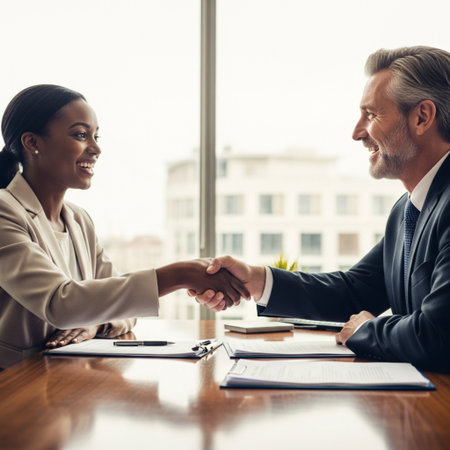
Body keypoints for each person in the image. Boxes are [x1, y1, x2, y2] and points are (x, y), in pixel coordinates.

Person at [194, 46, 450, 373]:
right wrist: (256, 280)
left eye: (371, 115)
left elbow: (438, 335)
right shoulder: (406, 211)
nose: (358, 132)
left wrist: (365, 331)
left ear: (422, 117)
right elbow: (354, 292)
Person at [0, 84, 247, 370]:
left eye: (95, 136)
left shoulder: (79, 220)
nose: (95, 148)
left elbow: (123, 308)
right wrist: (180, 274)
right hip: (16, 383)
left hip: (69, 382)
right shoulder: (5, 211)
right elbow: (59, 303)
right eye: (80, 135)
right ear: (32, 142)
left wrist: (94, 321)